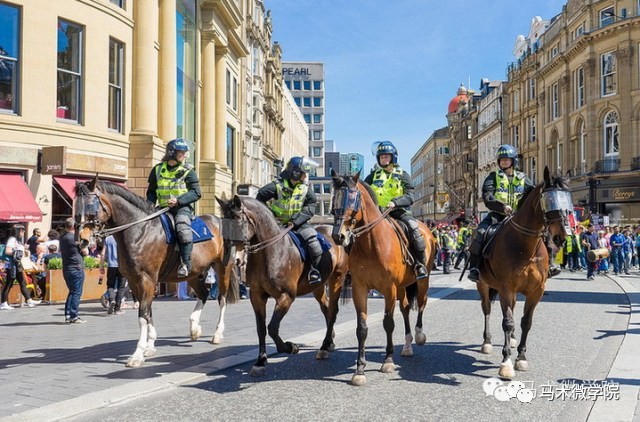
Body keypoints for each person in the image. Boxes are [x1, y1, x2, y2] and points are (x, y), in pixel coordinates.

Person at [467, 144, 535, 282]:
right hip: (497, 215)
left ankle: (548, 265)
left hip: (518, 217)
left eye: (507, 159)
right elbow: (488, 197)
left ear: (513, 161)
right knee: (480, 233)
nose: (504, 162)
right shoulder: (493, 177)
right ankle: (474, 268)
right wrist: (502, 206)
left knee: (541, 232)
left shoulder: (523, 178)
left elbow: (532, 194)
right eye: (501, 159)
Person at [364, 141, 428, 279]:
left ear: (393, 157)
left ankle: (419, 264)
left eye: (386, 157)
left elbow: (410, 195)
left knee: (413, 228)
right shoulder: (372, 176)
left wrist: (395, 203)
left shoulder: (402, 174)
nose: (384, 159)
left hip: (399, 212)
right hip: (377, 213)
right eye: (381, 157)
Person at [257, 156, 323, 284]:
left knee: (313, 240)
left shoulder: (305, 189)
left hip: (298, 225)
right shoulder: (277, 186)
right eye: (303, 173)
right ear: (295, 173)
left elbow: (310, 207)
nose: (305, 176)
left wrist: (296, 221)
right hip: (277, 225)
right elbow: (260, 197)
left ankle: (314, 270)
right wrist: (270, 217)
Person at [146, 138, 202, 277]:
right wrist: (150, 205)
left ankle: (185, 264)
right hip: (160, 208)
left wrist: (178, 201)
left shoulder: (188, 171)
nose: (184, 155)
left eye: (184, 153)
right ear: (172, 153)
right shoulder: (157, 169)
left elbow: (196, 192)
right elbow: (151, 191)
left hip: (181, 208)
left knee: (182, 228)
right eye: (181, 153)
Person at [0, 224, 40, 309]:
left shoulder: (17, 240)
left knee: (22, 282)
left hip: (16, 264)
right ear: (18, 231)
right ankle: (3, 302)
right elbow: (7, 251)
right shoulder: (12, 239)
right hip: (11, 264)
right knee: (9, 283)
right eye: (22, 230)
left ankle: (29, 300)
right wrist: (17, 252)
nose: (24, 232)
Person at [60, 217, 87, 323]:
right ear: (74, 226)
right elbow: (85, 252)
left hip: (67, 268)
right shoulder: (74, 238)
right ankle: (74, 315)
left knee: (72, 291)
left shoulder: (62, 237)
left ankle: (68, 314)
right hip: (76, 268)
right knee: (76, 292)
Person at [99, 235, 126, 315]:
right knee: (121, 287)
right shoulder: (121, 237)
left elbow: (103, 254)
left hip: (111, 266)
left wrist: (101, 266)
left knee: (110, 285)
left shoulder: (108, 239)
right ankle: (117, 309)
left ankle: (112, 299)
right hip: (122, 266)